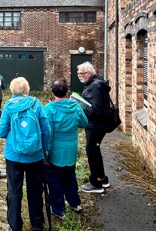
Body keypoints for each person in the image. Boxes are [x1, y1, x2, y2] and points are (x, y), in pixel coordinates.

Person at [0, 77, 50, 231]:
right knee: (35, 190)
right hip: (35, 156)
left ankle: (15, 225)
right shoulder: (36, 104)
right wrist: (44, 151)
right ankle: (37, 224)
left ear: (12, 90)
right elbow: (46, 130)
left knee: (14, 190)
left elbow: (1, 132)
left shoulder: (8, 106)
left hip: (13, 156)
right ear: (27, 89)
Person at [44, 78, 88, 219]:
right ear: (67, 91)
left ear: (52, 92)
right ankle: (75, 203)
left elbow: (48, 134)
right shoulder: (75, 106)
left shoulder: (49, 109)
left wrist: (46, 153)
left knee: (55, 180)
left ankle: (58, 209)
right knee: (70, 176)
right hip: (70, 148)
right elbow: (84, 123)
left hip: (56, 150)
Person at [77, 61, 112, 193]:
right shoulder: (95, 83)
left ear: (90, 73)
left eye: (82, 73)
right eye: (78, 73)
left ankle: (95, 184)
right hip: (98, 124)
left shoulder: (95, 86)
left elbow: (95, 109)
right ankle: (102, 179)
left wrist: (80, 109)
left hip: (96, 125)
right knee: (95, 151)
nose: (80, 75)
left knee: (92, 152)